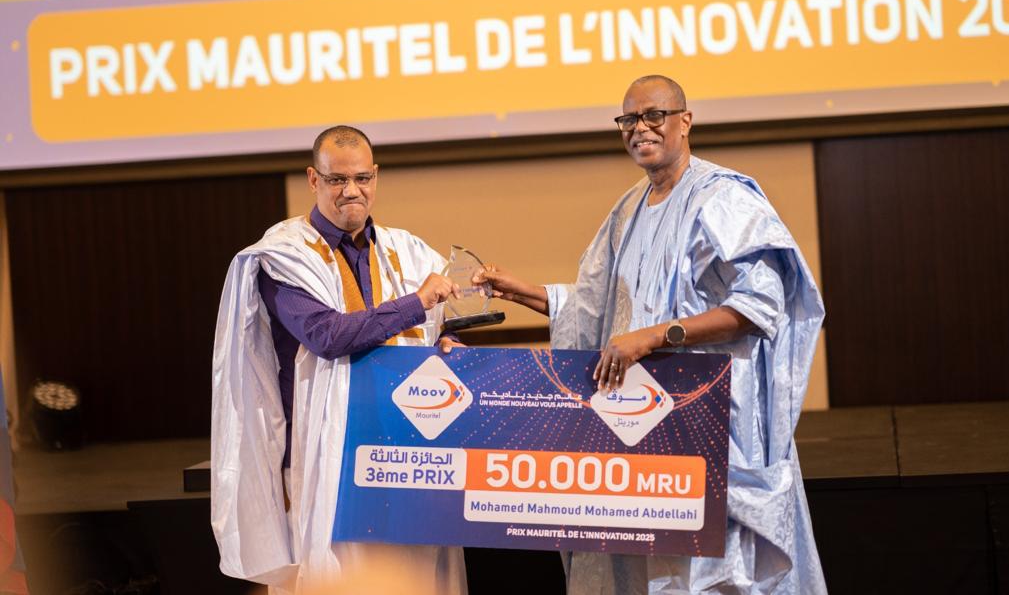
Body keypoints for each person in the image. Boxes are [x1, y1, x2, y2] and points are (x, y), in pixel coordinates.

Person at [476, 75, 826, 594]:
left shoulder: (724, 198)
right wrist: (524, 292)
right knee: (655, 573)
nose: (640, 128)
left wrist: (656, 337)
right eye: (629, 119)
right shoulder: (628, 211)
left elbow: (759, 307)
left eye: (654, 116)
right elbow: (597, 309)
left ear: (685, 122)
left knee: (719, 575)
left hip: (715, 425)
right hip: (650, 432)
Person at [211, 125, 467, 595]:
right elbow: (326, 335)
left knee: (415, 578)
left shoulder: (407, 251)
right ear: (314, 179)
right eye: (337, 180)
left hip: (407, 453)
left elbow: (431, 328)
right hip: (327, 460)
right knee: (340, 579)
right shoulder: (283, 256)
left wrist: (446, 341)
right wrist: (417, 302)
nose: (352, 191)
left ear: (376, 177)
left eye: (362, 178)